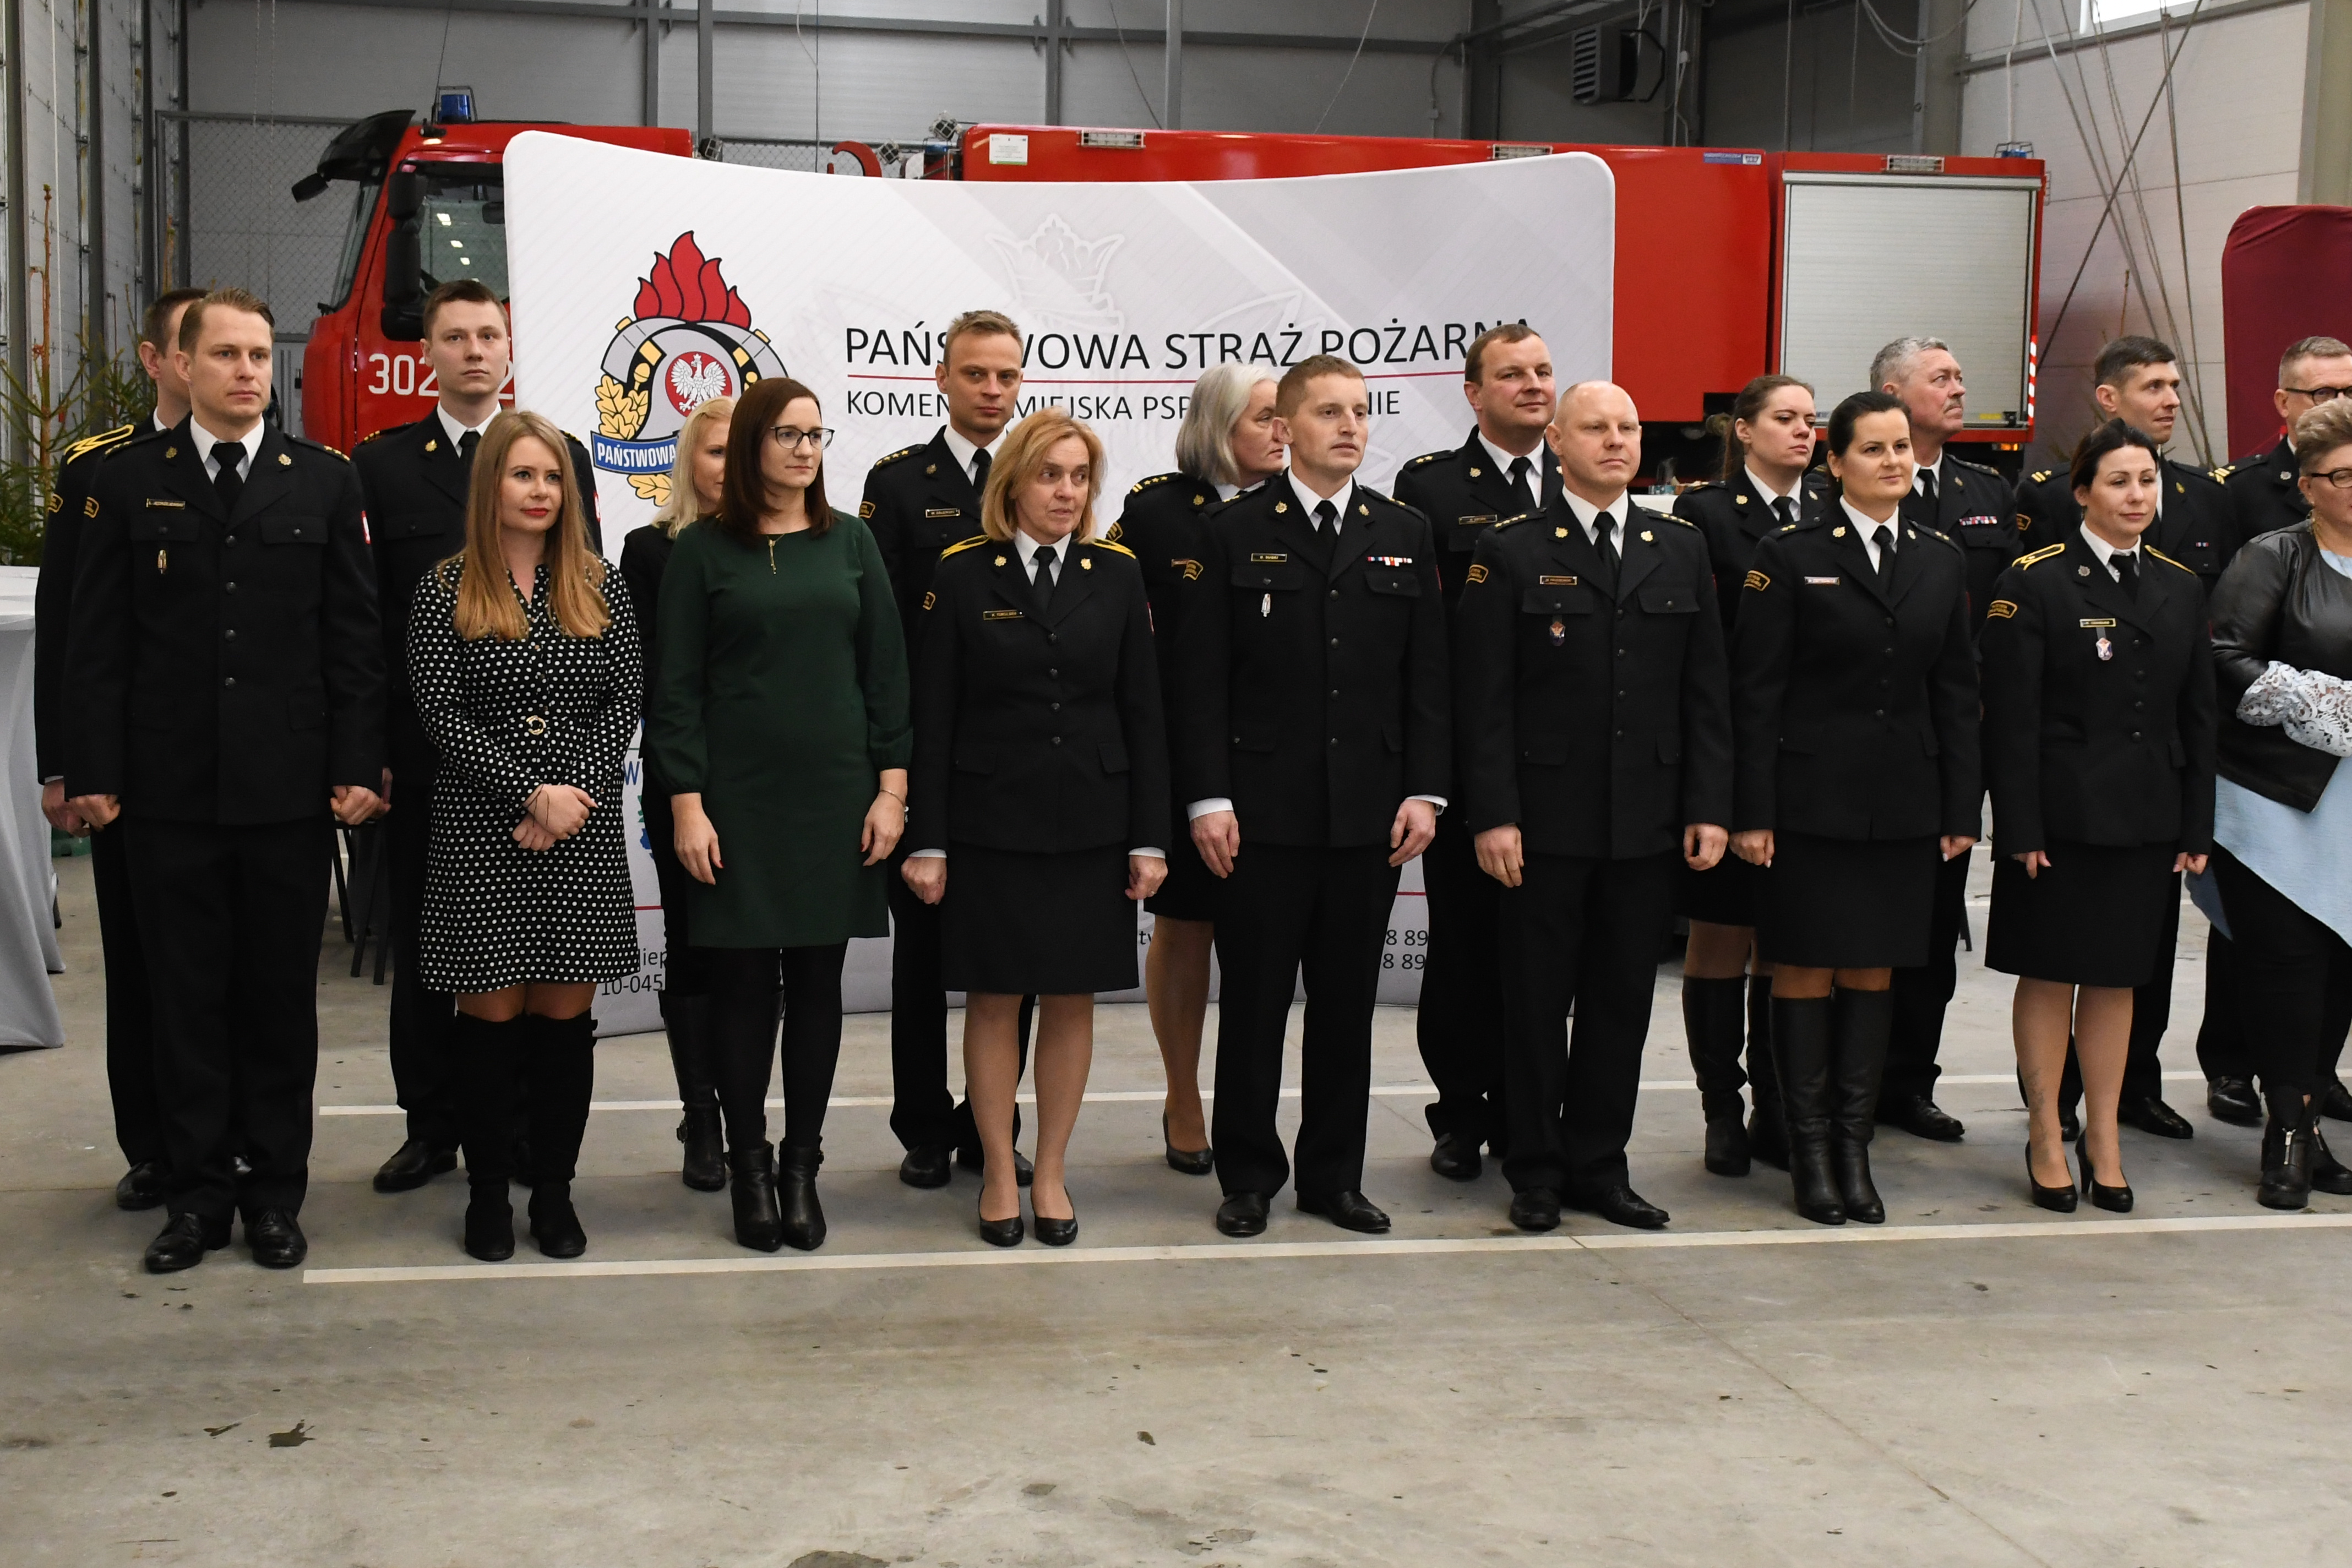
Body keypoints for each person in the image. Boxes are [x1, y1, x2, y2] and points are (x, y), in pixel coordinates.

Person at [65, 287, 386, 1272]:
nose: (248, 371)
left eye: (257, 355)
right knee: (185, 1001)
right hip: (166, 794)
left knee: (279, 1001)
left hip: (286, 794)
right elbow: (97, 645)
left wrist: (356, 763)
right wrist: (93, 771)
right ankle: (198, 1198)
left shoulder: (322, 481)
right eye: (226, 355)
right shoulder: (128, 482)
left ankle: (275, 1195)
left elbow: (353, 640)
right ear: (183, 365)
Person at [1175, 354, 1449, 1239]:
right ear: (1285, 429)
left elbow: (1427, 678)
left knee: (1345, 1010)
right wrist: (1207, 800)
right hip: (1261, 814)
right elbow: (1200, 681)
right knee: (1255, 1005)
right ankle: (1249, 1176)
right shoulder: (1231, 531)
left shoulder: (1402, 530)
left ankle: (1334, 1178)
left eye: (1360, 412)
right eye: (1330, 412)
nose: (1350, 426)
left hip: (1369, 814)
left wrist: (1426, 791)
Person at [1456, 381, 1732, 1232]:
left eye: (1629, 428)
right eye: (1597, 428)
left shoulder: (1678, 546)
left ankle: (1600, 1167)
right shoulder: (1510, 549)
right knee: (1536, 1004)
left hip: (1646, 821)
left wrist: (1708, 805)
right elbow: (1483, 698)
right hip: (1544, 822)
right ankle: (1535, 1169)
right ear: (1558, 444)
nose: (1617, 441)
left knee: (1622, 1003)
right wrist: (1493, 813)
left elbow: (1706, 691)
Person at [353, 277, 604, 1197]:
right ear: (427, 353)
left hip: (556, 780)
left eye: (488, 335)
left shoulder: (563, 454)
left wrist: (558, 785)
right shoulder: (380, 465)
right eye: (455, 337)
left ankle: (526, 1134)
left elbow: (582, 607)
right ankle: (432, 1125)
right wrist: (369, 750)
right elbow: (364, 620)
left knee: (538, 959)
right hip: (433, 761)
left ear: (509, 347)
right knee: (433, 954)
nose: (473, 351)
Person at [651, 377, 910, 1253]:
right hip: (735, 803)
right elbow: (676, 691)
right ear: (754, 443)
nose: (806, 450)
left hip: (836, 799)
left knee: (817, 984)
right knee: (740, 988)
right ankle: (750, 1167)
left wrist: (892, 790)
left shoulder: (852, 542)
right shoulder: (702, 551)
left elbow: (886, 675)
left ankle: (802, 1167)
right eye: (788, 435)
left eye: (815, 435)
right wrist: (688, 804)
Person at [905, 410, 1168, 1245]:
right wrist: (928, 840)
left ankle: (1049, 1171)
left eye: (1079, 477)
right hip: (989, 823)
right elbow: (933, 717)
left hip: (1092, 822)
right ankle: (996, 1168)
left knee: (1070, 997)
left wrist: (1150, 837)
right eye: (1050, 474)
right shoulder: (963, 573)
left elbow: (1143, 712)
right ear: (1012, 482)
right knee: (993, 999)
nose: (1066, 492)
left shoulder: (1116, 574)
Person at [1731, 390, 1979, 1226]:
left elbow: (1956, 691)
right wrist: (1752, 811)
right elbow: (1755, 694)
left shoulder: (1939, 558)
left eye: (1901, 446)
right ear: (1834, 463)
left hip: (1904, 804)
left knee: (1875, 971)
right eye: (1872, 449)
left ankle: (1852, 1146)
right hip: (1808, 803)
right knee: (1805, 968)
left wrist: (1961, 806)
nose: (1893, 461)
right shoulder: (1789, 554)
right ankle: (1806, 1151)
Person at [406, 410, 639, 1261]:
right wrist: (529, 793)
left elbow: (625, 698)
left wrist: (569, 796)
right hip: (482, 830)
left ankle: (553, 1194)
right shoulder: (444, 588)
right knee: (490, 1019)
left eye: (552, 478)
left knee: (562, 1024)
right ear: (490, 486)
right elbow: (439, 711)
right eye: (523, 475)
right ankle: (486, 1196)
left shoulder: (601, 584)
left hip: (578, 832)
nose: (540, 492)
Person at [1981, 421, 2216, 1214]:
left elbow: (2198, 716)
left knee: (2119, 978)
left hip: (2144, 816)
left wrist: (2195, 824)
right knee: (2051, 972)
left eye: (2148, 481)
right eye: (2119, 481)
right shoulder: (2037, 580)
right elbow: (2011, 720)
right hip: (2060, 818)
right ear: (2082, 492)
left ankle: (2105, 1134)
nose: (2137, 496)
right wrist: (2019, 828)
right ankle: (2047, 1129)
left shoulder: (2180, 585)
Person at [35, 285, 204, 1212]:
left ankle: (226, 1144)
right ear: (156, 359)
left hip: (232, 766)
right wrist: (64, 765)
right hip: (129, 768)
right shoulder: (98, 468)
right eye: (191, 345)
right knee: (139, 965)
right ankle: (152, 1146)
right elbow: (70, 627)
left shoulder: (282, 467)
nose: (213, 363)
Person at [861, 309, 1035, 1190]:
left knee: (1015, 958)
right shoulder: (899, 484)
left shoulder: (1043, 475)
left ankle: (992, 1126)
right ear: (942, 377)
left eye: (1006, 375)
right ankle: (925, 1126)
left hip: (1020, 760)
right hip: (929, 755)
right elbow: (881, 634)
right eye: (975, 374)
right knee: (923, 959)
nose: (992, 390)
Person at [1391, 323, 1560, 1183]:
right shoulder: (1431, 487)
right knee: (1463, 950)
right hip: (1468, 753)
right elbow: (1422, 634)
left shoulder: (1578, 475)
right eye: (1513, 374)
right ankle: (1461, 1112)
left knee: (1545, 955)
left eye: (1543, 372)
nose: (1533, 385)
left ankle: (1535, 1113)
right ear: (1474, 392)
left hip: (1562, 758)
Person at [1110, 362, 1284, 1176]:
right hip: (1183, 756)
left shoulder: (1299, 508)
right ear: (1219, 428)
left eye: (1287, 416)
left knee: (1261, 938)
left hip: (1276, 760)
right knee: (1185, 926)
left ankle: (1252, 1111)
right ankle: (1183, 1095)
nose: (1283, 431)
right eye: (1264, 417)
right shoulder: (1156, 511)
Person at [1670, 374, 1833, 1178]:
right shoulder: (1707, 516)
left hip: (1807, 758)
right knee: (1722, 932)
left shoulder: (1832, 509)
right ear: (1743, 430)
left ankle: (1777, 1103)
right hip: (1732, 748)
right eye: (1785, 418)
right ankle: (1720, 1109)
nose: (1804, 432)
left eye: (1811, 420)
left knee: (1785, 934)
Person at [2207, 396, 2352, 1209]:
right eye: (2343, 476)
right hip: (2277, 802)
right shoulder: (2274, 557)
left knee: (2343, 968)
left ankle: (2312, 1123)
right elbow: (2222, 655)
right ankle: (2286, 1135)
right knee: (2288, 967)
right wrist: (2324, 704)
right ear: (2308, 485)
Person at [1872, 336, 2013, 1146]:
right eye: (1941, 378)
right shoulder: (1847, 487)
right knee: (1859, 925)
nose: (1960, 388)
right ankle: (1844, 1082)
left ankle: (1908, 1082)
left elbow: (2006, 615)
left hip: (1955, 737)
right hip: (1870, 738)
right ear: (1893, 392)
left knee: (1934, 925)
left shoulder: (1986, 490)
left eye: (1961, 375)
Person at [619, 393, 735, 1193]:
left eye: (739, 449)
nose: (727, 466)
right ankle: (703, 1116)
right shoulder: (649, 551)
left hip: (773, 786)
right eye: (714, 451)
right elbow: (657, 679)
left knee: (758, 955)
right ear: (688, 460)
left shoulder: (791, 546)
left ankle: (748, 1113)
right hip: (685, 781)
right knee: (693, 945)